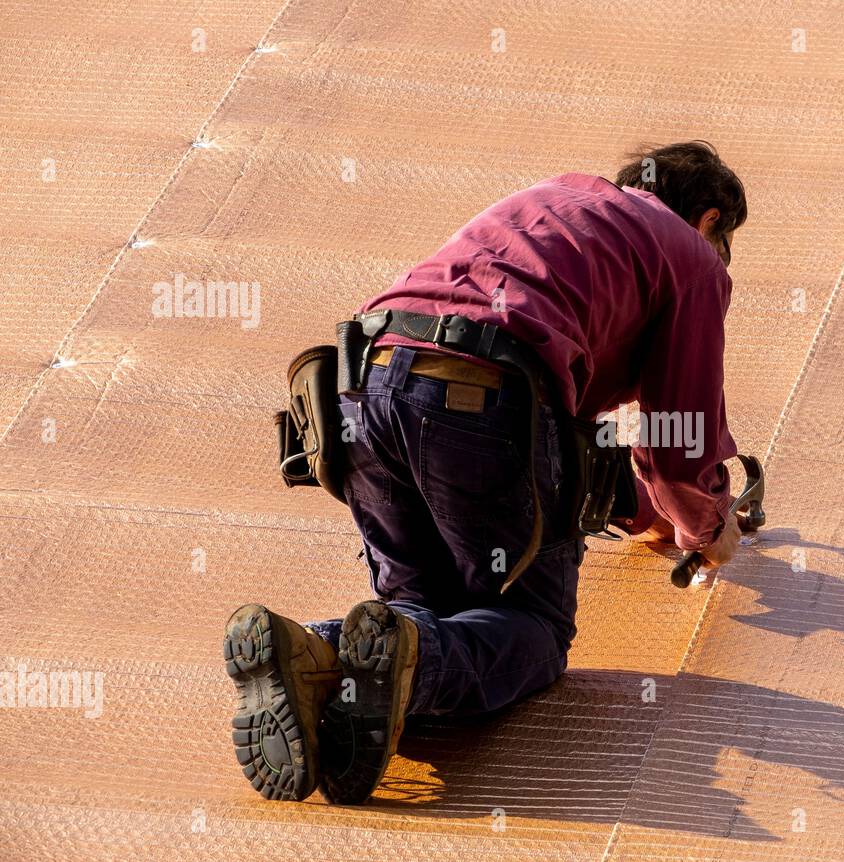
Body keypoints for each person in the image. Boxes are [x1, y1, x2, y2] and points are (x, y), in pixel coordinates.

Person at [224, 141, 747, 803]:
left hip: (364, 385)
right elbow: (682, 436)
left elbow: (565, 445)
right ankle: (410, 659)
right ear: (708, 219)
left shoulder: (560, 208)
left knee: (414, 607)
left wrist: (648, 517)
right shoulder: (692, 256)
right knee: (533, 629)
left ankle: (317, 650)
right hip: (485, 394)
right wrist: (705, 524)